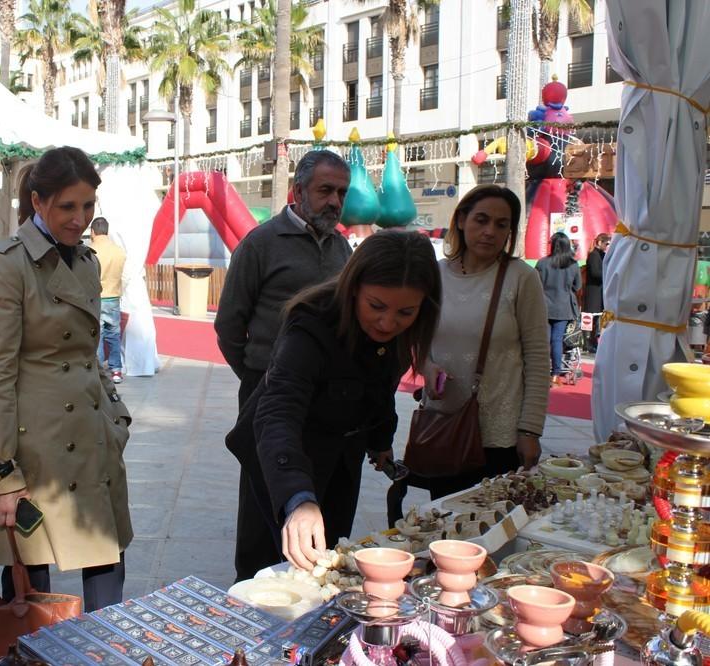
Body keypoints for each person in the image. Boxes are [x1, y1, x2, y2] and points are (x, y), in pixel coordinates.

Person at [0, 147, 132, 611]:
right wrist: (1, 471)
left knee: (107, 559)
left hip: (92, 431)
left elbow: (88, 350)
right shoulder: (6, 266)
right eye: (67, 206)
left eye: (88, 206)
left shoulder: (87, 261)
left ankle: (106, 655)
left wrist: (116, 412)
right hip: (36, 447)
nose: (80, 218)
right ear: (38, 202)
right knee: (30, 580)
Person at [225, 231, 441, 571]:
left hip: (341, 454)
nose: (388, 322)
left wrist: (381, 440)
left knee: (328, 559)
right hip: (281, 459)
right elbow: (278, 411)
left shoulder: (401, 330)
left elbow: (381, 384)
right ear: (354, 287)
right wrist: (297, 498)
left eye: (405, 312)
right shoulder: (311, 324)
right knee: (267, 569)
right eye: (376, 306)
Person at [214, 150, 352, 582]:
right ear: (298, 191)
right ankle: (251, 597)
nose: (334, 201)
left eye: (340, 193)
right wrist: (260, 376)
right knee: (263, 506)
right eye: (324, 190)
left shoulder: (342, 247)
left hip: (327, 400)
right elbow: (229, 326)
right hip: (267, 392)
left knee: (320, 502)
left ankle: (317, 592)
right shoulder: (260, 244)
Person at [388, 186, 550, 517]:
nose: (490, 231)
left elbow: (538, 358)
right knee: (449, 522)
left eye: (502, 224)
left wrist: (530, 430)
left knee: (496, 523)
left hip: (500, 436)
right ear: (461, 220)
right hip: (445, 427)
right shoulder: (435, 274)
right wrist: (427, 365)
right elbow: (415, 335)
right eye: (481, 220)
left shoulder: (521, 278)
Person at [536, 232, 582, 386]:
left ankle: (541, 372)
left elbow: (536, 285)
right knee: (557, 340)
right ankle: (555, 374)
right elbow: (577, 286)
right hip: (563, 307)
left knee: (544, 341)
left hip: (543, 306)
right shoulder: (573, 265)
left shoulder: (542, 263)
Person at [89, 217, 126, 384]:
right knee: (113, 335)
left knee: (97, 335)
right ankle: (116, 370)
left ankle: (99, 371)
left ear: (93, 231)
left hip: (96, 298)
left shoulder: (90, 250)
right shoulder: (119, 251)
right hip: (113, 297)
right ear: (107, 231)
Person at [584, 233, 609, 353]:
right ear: (600, 242)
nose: (607, 246)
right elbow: (595, 273)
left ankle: (594, 341)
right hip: (593, 292)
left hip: (600, 292)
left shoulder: (603, 255)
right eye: (606, 243)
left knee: (597, 318)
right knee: (590, 318)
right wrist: (607, 275)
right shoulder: (594, 255)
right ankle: (588, 342)